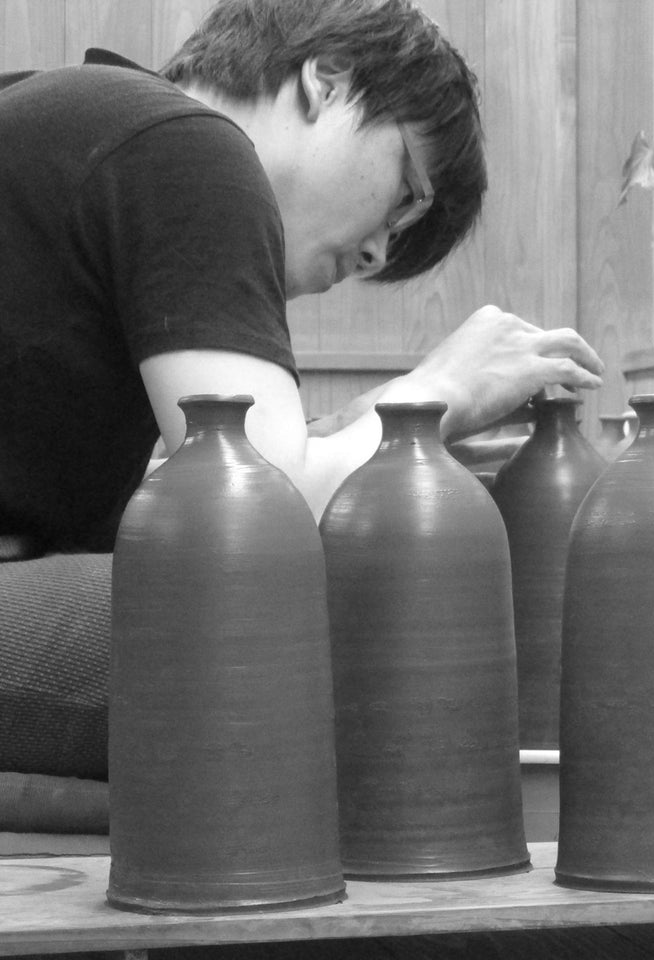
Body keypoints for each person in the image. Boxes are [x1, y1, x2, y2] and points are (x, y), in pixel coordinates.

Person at [0, 0, 602, 788]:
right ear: (327, 81)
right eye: (406, 193)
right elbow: (262, 512)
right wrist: (443, 391)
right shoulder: (187, 147)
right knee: (347, 632)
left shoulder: (80, 116)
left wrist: (357, 425)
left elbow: (200, 489)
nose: (381, 251)